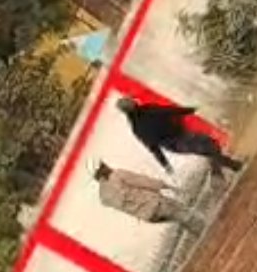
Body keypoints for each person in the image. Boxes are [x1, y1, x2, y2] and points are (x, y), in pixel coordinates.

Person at [117, 95, 245, 177]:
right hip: (180, 138)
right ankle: (224, 171)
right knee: (210, 145)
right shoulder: (148, 110)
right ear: (132, 103)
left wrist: (165, 165)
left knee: (207, 149)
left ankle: (231, 168)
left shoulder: (136, 128)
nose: (133, 100)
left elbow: (153, 148)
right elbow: (170, 111)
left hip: (174, 145)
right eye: (131, 101)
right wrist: (190, 110)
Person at [92, 161, 202, 231]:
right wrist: (165, 185)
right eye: (104, 165)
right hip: (156, 204)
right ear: (102, 169)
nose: (108, 166)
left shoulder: (104, 197)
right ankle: (206, 230)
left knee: (182, 221)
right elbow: (143, 181)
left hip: (148, 217)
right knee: (187, 215)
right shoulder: (118, 175)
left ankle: (200, 238)